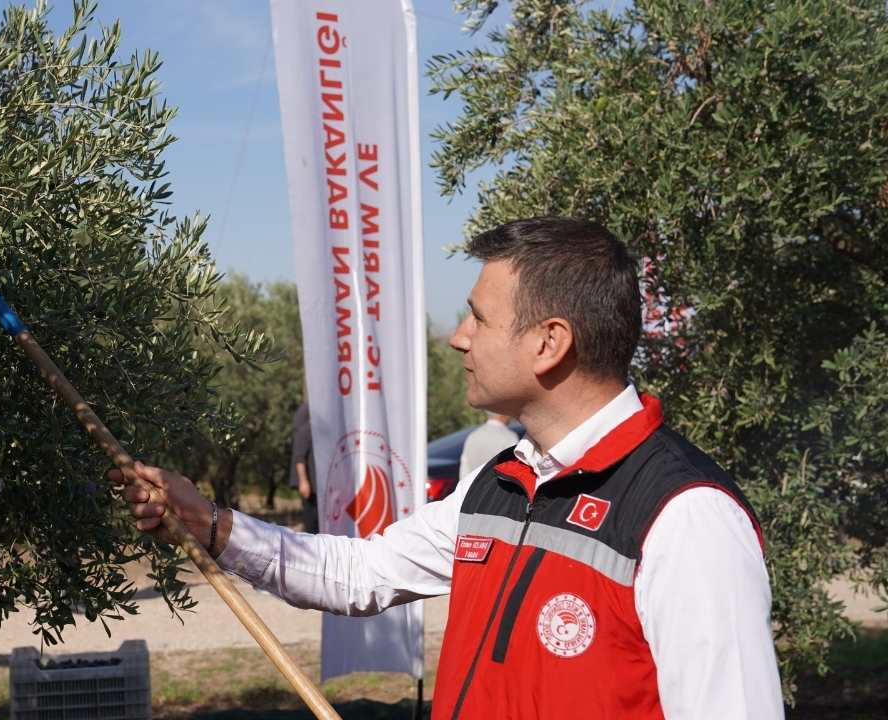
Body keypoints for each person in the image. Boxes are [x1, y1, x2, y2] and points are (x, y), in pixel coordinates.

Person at [111, 217, 784, 719]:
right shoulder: (500, 483)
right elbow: (362, 573)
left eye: (477, 318)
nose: (458, 336)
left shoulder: (686, 516)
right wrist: (211, 524)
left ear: (550, 342)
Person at [289, 401, 320, 533]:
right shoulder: (306, 430)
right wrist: (303, 481)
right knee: (311, 522)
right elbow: (299, 458)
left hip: (320, 486)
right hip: (310, 486)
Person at [458, 411, 518, 480]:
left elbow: (464, 471)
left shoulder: (473, 436)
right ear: (503, 414)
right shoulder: (509, 437)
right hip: (497, 489)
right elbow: (512, 472)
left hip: (474, 489)